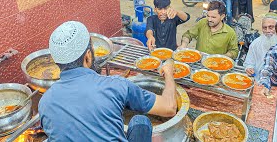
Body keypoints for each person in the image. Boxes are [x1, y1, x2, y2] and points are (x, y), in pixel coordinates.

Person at [39, 21, 177, 141]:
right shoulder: (115, 86)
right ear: (87, 57)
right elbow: (169, 108)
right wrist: (169, 73)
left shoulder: (45, 102)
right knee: (141, 121)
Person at [244, 12, 277, 81]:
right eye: (264, 28)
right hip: (259, 82)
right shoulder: (255, 44)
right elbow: (248, 63)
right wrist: (249, 68)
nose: (267, 31)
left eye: (271, 27)